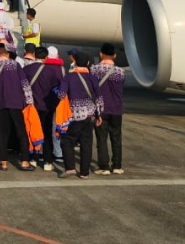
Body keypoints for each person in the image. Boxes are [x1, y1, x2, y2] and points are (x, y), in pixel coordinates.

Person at [0, 44, 36, 171]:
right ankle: (25, 161)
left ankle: (4, 163)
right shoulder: (15, 65)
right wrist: (30, 101)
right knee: (21, 132)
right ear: (7, 55)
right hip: (16, 104)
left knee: (2, 134)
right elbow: (25, 84)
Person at [56, 51, 104, 179]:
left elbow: (61, 95)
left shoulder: (69, 77)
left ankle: (70, 168)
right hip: (89, 116)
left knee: (67, 141)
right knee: (86, 143)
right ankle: (84, 173)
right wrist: (99, 115)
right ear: (88, 63)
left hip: (74, 116)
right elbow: (99, 98)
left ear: (75, 62)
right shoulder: (93, 78)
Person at [24, 46, 66, 170]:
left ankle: (33, 158)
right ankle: (47, 161)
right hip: (47, 106)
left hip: (31, 106)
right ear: (46, 57)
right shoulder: (51, 72)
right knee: (47, 133)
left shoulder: (26, 69)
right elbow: (56, 89)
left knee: (32, 132)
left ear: (34, 55)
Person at [91, 43, 126, 175]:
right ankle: (117, 165)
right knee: (116, 138)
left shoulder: (94, 70)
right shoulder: (121, 72)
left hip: (101, 109)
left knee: (101, 138)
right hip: (117, 108)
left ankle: (104, 166)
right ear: (115, 56)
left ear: (101, 54)